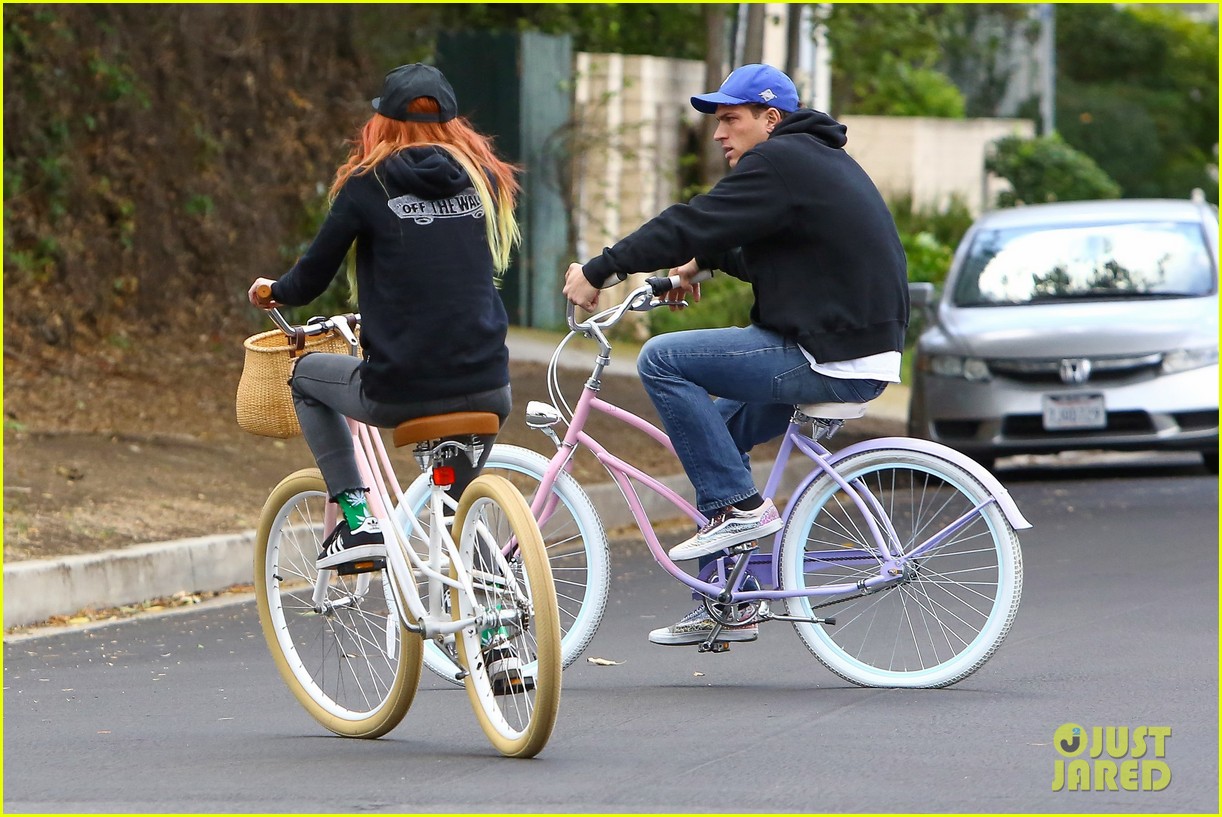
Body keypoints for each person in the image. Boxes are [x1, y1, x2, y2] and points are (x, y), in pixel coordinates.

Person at [563, 63, 909, 646]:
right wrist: (703, 263)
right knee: (715, 435)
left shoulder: (779, 161)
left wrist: (602, 268)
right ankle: (730, 600)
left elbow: (693, 220)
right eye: (717, 122)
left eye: (732, 119)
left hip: (825, 355)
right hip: (852, 350)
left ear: (770, 119)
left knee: (660, 359)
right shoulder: (811, 162)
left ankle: (742, 511)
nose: (720, 133)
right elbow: (770, 255)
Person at [250, 63, 520, 574]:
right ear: (453, 122)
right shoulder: (483, 178)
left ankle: (356, 518)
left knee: (305, 376)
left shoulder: (366, 185)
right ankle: (496, 640)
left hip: (403, 388)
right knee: (454, 508)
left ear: (383, 122)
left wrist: (271, 291)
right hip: (489, 385)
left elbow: (307, 283)